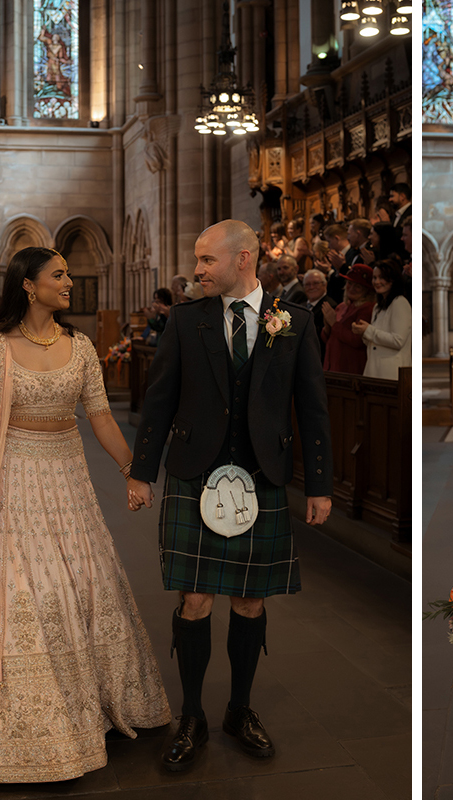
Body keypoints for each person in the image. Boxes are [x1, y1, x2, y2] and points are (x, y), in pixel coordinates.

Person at [0, 246, 171, 782]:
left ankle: (90, 699)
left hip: (68, 485)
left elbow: (102, 419)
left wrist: (133, 471)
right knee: (19, 592)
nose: (68, 282)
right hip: (8, 485)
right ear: (29, 285)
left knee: (83, 584)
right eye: (58, 275)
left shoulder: (80, 346)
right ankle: (25, 719)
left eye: (66, 274)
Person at [127, 220, 333, 771]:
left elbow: (312, 409)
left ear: (242, 259)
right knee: (194, 599)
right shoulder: (186, 319)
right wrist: (141, 471)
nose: (197, 270)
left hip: (262, 477)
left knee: (250, 599)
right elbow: (160, 400)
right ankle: (192, 715)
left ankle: (239, 709)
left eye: (205, 261)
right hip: (195, 472)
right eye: (197, 261)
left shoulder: (294, 322)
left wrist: (319, 484)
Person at [354, 258, 411, 380]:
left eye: (382, 277)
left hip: (391, 372)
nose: (377, 281)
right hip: (374, 369)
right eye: (374, 278)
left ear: (393, 280)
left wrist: (368, 330)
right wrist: (363, 331)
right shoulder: (378, 306)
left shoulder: (400, 302)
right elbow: (376, 340)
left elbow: (398, 340)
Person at [322, 263, 375, 374]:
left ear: (367, 290)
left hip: (349, 370)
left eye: (358, 286)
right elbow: (328, 339)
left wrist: (333, 323)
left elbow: (357, 341)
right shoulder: (342, 306)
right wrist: (327, 325)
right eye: (350, 283)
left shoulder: (367, 309)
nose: (352, 288)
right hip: (332, 367)